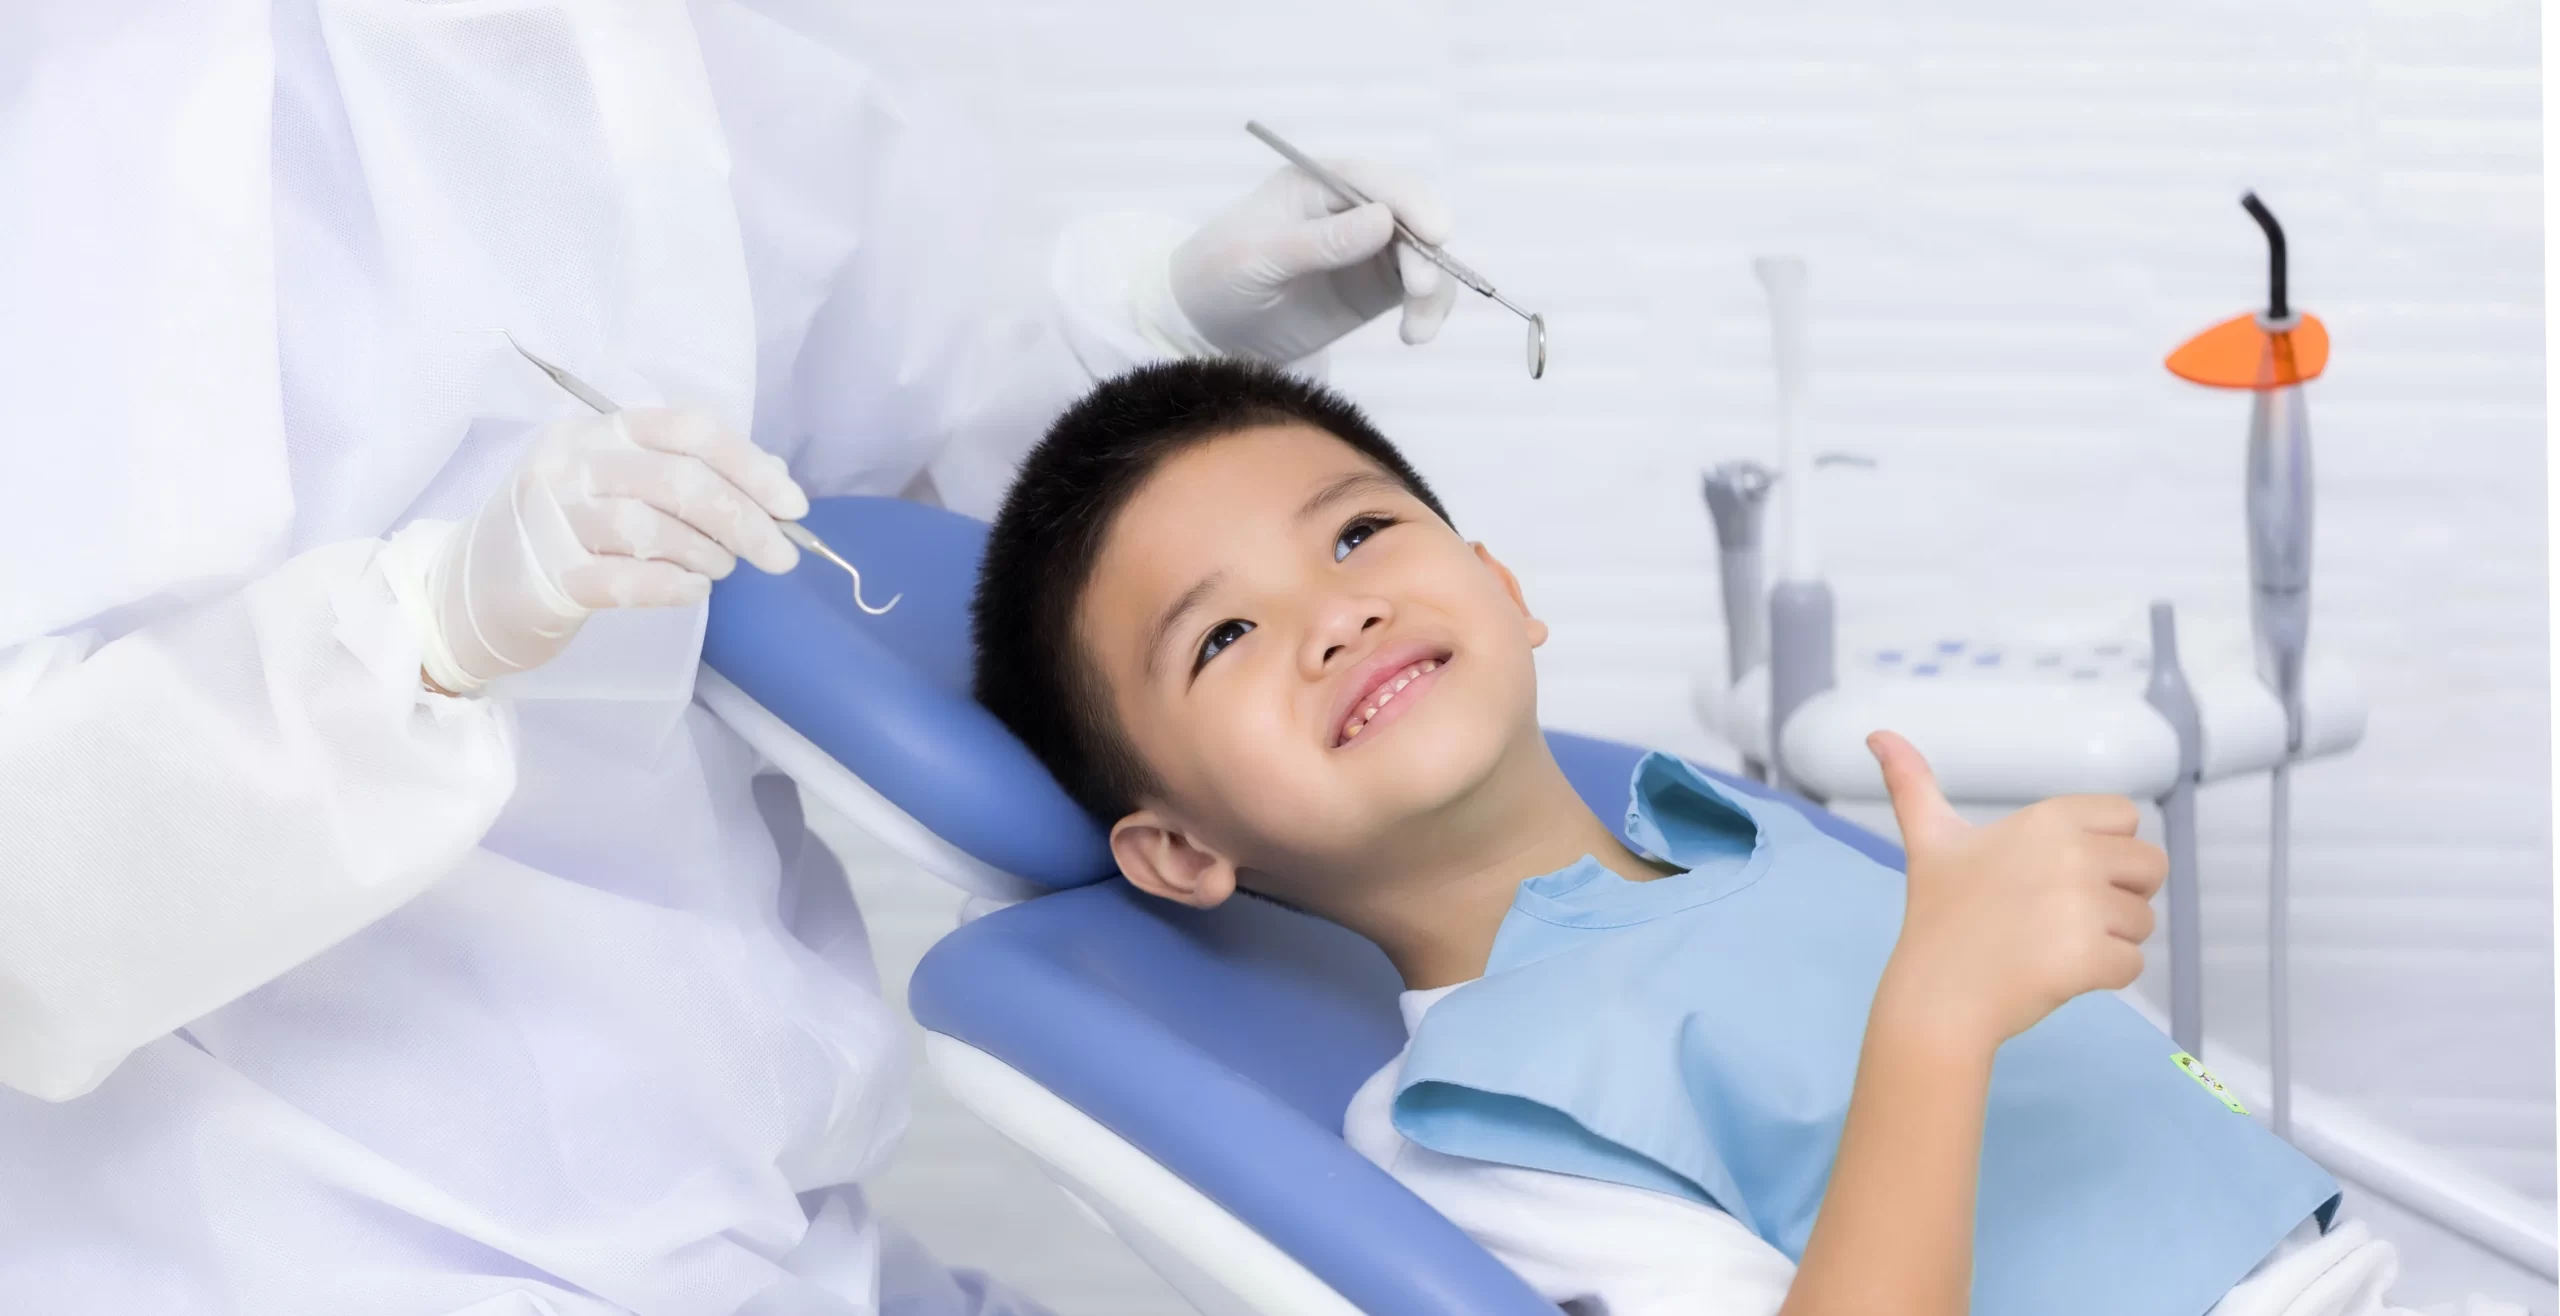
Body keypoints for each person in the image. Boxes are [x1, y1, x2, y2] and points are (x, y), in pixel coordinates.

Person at [0, 2, 1463, 1310]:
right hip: (288, 1238)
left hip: (736, 1192)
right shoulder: (114, 93)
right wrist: (421, 636)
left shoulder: (708, 50)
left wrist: (1161, 346)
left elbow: (878, 550)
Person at [967, 357, 2522, 1316]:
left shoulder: (1752, 846)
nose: (1337, 610)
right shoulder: (1479, 1116)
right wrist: (1938, 1012)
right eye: (1224, 635)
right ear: (1176, 853)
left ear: (1504, 588)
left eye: (1359, 530)